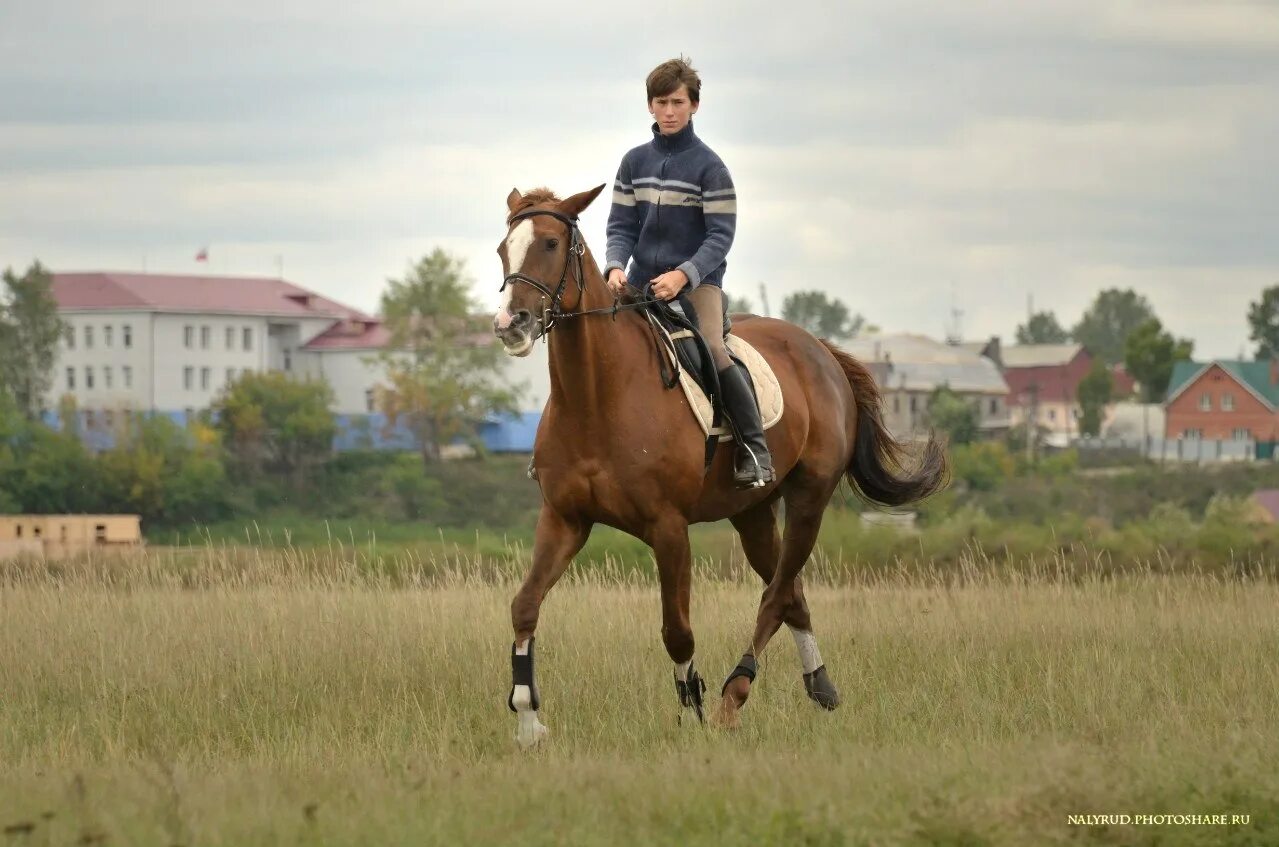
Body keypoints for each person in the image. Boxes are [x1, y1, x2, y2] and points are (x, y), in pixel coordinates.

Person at [603, 56, 775, 488]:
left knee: (715, 350)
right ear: (650, 107)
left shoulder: (711, 168)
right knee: (595, 342)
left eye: (678, 102)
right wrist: (614, 266)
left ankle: (755, 450)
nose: (670, 111)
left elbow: (720, 237)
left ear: (694, 105)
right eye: (661, 102)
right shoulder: (632, 163)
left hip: (699, 283)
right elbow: (621, 227)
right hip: (640, 281)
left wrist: (684, 275)